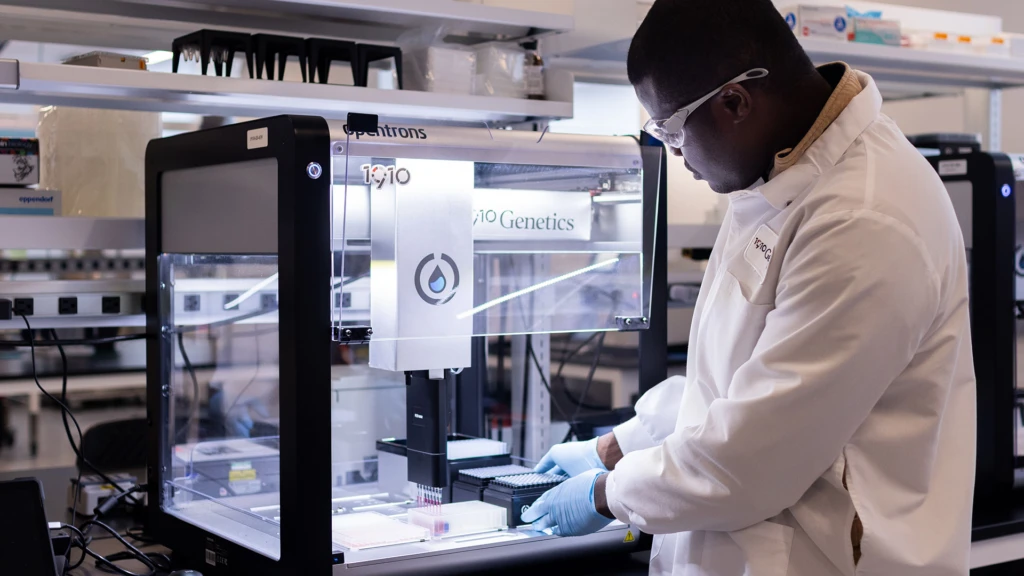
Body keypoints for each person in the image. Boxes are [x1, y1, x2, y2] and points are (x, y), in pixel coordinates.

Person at [520, 0, 976, 574]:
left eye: (672, 130)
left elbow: (751, 460)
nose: (676, 154)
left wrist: (605, 493)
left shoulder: (864, 218)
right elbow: (731, 383)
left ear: (734, 102)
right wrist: (615, 446)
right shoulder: (777, 176)